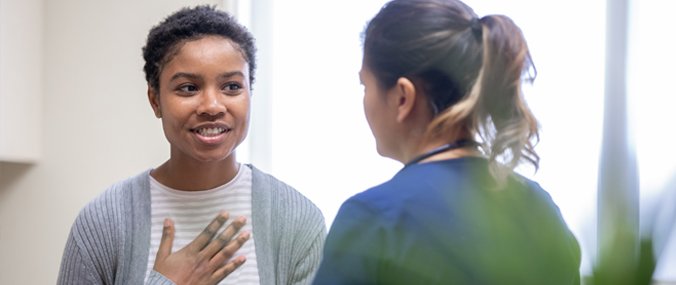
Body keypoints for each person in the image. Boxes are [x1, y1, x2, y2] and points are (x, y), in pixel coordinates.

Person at [312, 0, 581, 284]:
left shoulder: (373, 219)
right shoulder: (540, 208)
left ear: (403, 97)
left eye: (365, 86)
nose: (364, 100)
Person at [57, 5, 326, 285]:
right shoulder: (104, 223)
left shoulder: (297, 221)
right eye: (188, 88)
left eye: (232, 87)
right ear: (155, 100)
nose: (212, 106)